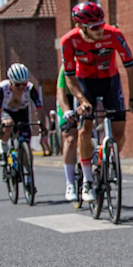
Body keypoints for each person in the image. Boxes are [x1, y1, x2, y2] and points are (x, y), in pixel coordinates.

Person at [61, 1, 133, 203]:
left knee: (120, 131)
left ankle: (111, 158)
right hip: (85, 82)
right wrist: (81, 100)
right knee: (85, 128)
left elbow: (131, 68)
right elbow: (68, 78)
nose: (100, 30)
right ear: (81, 27)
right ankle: (87, 180)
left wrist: (132, 98)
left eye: (102, 24)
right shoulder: (68, 41)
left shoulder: (114, 34)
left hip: (110, 81)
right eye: (95, 27)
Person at [0, 65, 43, 180]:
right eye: (18, 85)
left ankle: (29, 177)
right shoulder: (2, 88)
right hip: (8, 112)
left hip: (22, 113)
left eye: (24, 84)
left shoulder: (30, 89)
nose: (21, 87)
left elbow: (39, 108)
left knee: (27, 146)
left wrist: (41, 124)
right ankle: (4, 149)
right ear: (11, 82)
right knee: (8, 123)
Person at [55, 65, 80, 202]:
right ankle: (70, 183)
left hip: (86, 95)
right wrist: (66, 111)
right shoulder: (66, 67)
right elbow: (61, 92)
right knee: (70, 138)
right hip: (68, 98)